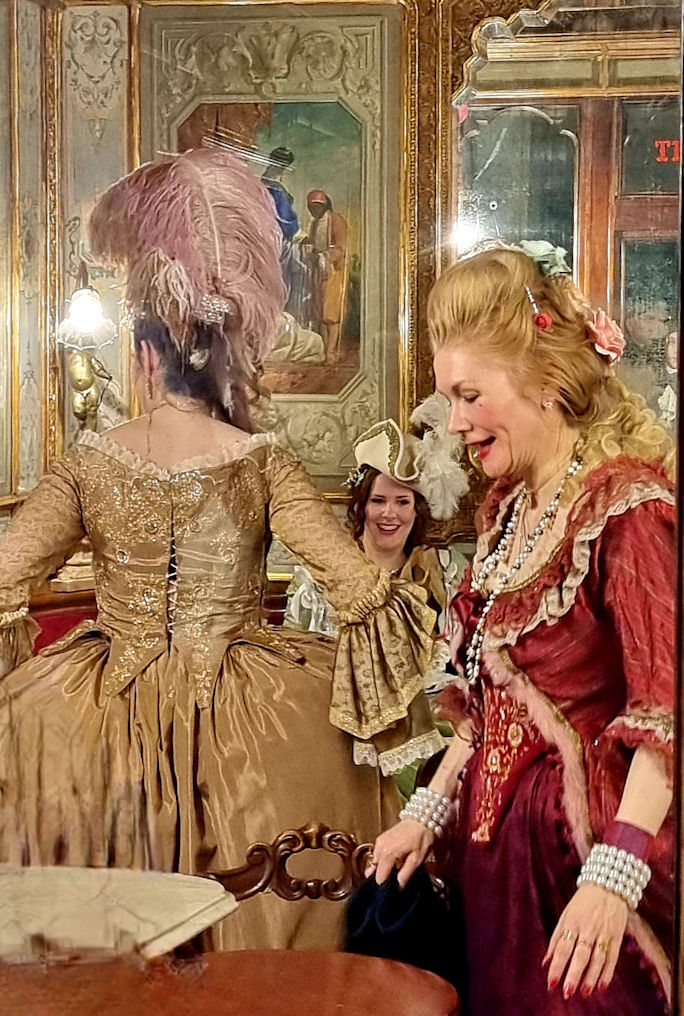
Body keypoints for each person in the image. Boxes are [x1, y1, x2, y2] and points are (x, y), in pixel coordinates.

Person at [0, 148, 442, 952]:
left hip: (96, 720)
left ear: (143, 355)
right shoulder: (264, 460)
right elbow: (359, 588)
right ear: (228, 358)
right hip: (251, 723)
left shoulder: (87, 462)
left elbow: (5, 575)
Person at [368, 242, 674, 1015]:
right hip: (497, 868)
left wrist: (614, 876)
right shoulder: (508, 512)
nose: (455, 423)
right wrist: (428, 810)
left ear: (545, 380)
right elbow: (485, 704)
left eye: (469, 395)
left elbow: (668, 716)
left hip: (583, 871)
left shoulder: (627, 512)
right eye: (448, 399)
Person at [286, 402, 468, 668]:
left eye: (402, 502)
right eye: (378, 500)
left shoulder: (446, 572)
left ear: (417, 511)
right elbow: (294, 658)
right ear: (361, 507)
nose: (389, 513)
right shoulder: (321, 573)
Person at [304, 190, 349, 362]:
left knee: (332, 313)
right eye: (311, 207)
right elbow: (314, 242)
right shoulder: (315, 223)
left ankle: (331, 352)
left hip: (334, 271)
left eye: (317, 207)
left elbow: (341, 246)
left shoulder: (336, 220)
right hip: (318, 270)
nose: (314, 210)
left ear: (324, 206)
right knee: (319, 312)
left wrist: (327, 256)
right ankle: (323, 351)